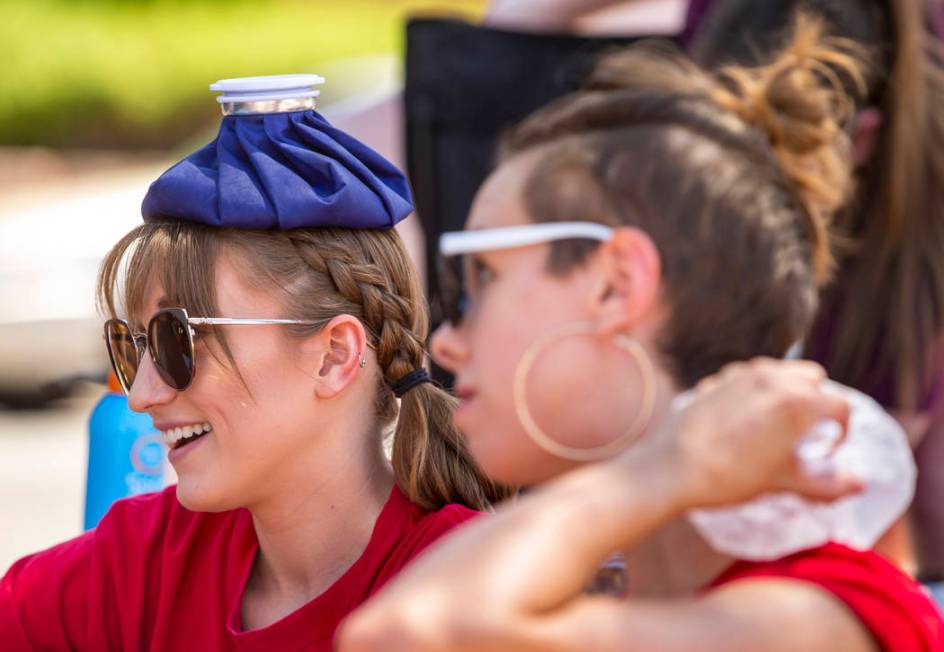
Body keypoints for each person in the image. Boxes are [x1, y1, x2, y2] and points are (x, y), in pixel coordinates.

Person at [338, 17, 943, 651]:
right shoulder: (574, 592)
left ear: (616, 285)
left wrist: (660, 471)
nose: (446, 343)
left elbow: (402, 634)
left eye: (481, 276)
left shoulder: (817, 616)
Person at [0, 75, 507, 651]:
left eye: (177, 340)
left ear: (335, 356)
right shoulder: (140, 560)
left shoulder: (470, 594)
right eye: (132, 344)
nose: (141, 394)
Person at [686, 0, 944, 600]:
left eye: (771, 166)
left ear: (861, 141)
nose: (742, 206)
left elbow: (850, 504)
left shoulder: (907, 262)